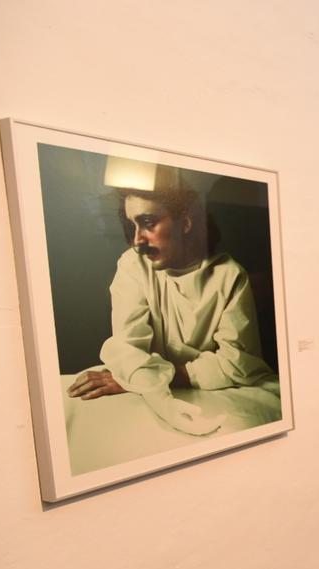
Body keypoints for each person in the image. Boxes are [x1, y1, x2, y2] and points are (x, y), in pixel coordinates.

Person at [66, 174, 276, 435]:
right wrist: (138, 374)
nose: (137, 241)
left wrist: (145, 378)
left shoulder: (229, 275)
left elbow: (236, 364)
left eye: (148, 223)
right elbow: (128, 349)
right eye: (132, 225)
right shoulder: (132, 265)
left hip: (214, 395)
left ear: (185, 222)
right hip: (151, 393)